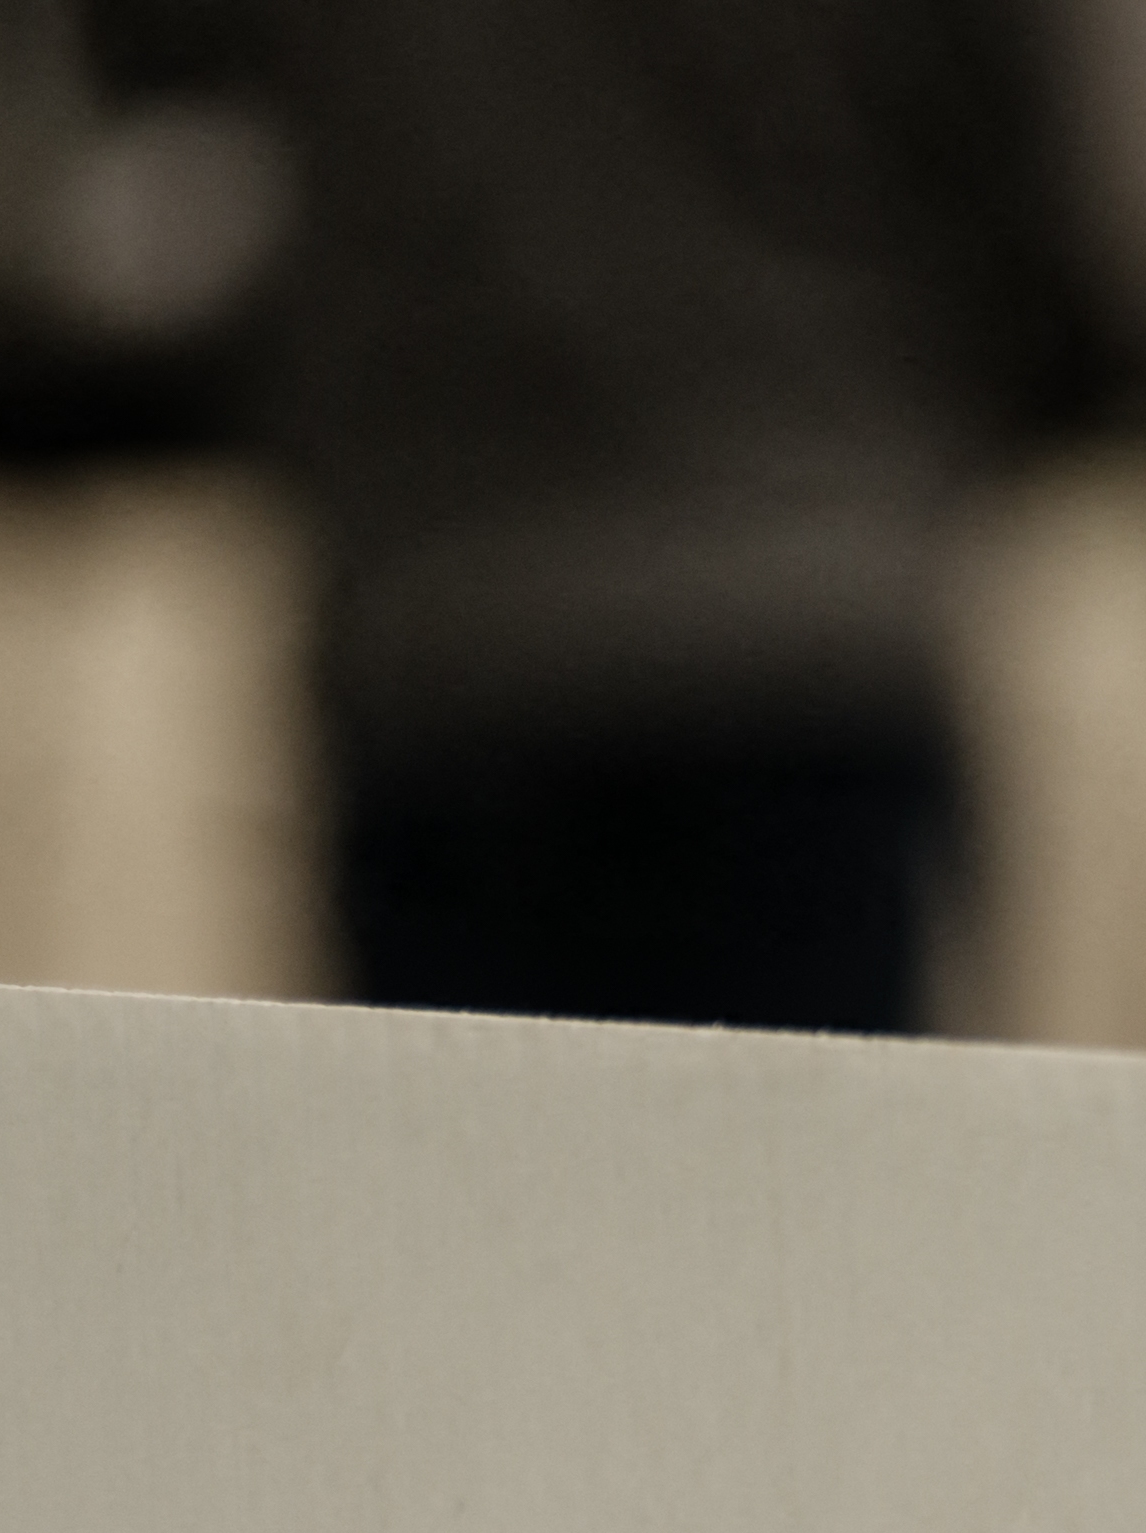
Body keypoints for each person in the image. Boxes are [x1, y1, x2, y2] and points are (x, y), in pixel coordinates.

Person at [256, 0, 1081, 1034]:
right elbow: (1031, 186)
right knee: (805, 1168)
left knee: (470, 1162)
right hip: (799, 601)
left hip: (447, 617)